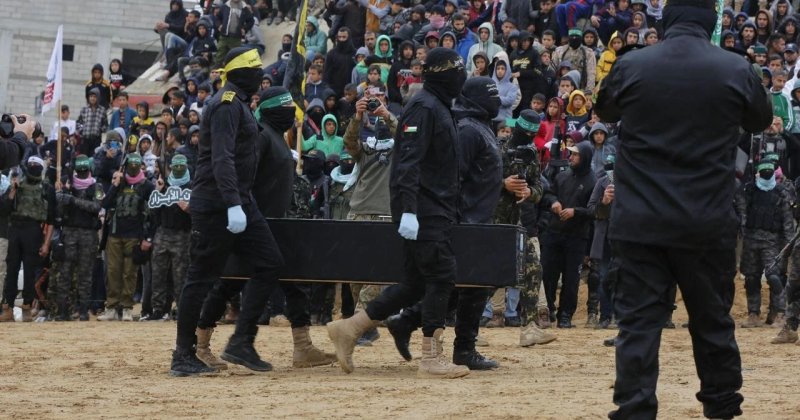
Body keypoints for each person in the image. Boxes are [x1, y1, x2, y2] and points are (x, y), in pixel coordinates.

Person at [594, 2, 773, 418]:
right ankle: (723, 409)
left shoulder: (633, 65)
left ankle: (635, 411)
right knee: (712, 323)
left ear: (666, 20)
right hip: (706, 222)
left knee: (638, 326)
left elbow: (604, 109)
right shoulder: (735, 68)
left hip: (641, 222)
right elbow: (760, 120)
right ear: (711, 23)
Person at [327, 48, 470, 379]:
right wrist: (408, 211)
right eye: (457, 70)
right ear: (441, 74)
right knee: (441, 276)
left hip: (434, 209)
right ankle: (432, 357)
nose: (461, 76)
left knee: (414, 284)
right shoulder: (424, 107)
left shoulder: (439, 106)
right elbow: (407, 162)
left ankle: (350, 328)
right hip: (424, 211)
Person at [170, 47, 284, 377]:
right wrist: (233, 203)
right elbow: (221, 159)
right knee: (201, 278)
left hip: (240, 201)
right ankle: (183, 354)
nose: (260, 76)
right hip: (218, 204)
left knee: (270, 263)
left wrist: (240, 202)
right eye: (255, 70)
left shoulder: (240, 105)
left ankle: (241, 342)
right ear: (238, 74)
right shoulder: (225, 104)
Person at [735, 160, 793, 329]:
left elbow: (787, 220)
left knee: (774, 277)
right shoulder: (749, 191)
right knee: (751, 278)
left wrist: (788, 244)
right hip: (751, 240)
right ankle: (753, 314)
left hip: (772, 242)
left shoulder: (781, 192)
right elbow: (742, 214)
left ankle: (780, 313)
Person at [98, 153, 155, 322]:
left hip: (134, 236)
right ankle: (112, 307)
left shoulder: (146, 186)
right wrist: (115, 185)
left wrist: (147, 238)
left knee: (130, 273)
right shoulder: (119, 183)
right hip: (115, 234)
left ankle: (127, 307)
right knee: (113, 272)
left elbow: (152, 215)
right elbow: (105, 204)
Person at [0, 157, 55, 323]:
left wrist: (46, 243)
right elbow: (3, 210)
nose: (32, 168)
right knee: (11, 270)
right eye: (30, 165)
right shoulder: (17, 185)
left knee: (30, 271)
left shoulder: (46, 188)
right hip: (15, 229)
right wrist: (12, 192)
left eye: (35, 166)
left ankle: (26, 307)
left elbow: (51, 219)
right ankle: (7, 308)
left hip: (33, 230)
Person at [51, 155, 103, 321]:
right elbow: (58, 212)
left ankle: (83, 310)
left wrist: (72, 199)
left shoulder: (97, 186)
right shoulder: (67, 184)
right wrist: (60, 194)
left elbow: (96, 206)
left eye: (84, 171)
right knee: (65, 273)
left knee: (85, 274)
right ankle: (62, 310)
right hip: (69, 232)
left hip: (88, 234)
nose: (81, 175)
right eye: (79, 172)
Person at [77, 88, 109, 157]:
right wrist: (82, 131)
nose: (92, 98)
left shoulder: (102, 110)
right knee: (84, 158)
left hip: (96, 140)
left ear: (98, 98)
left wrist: (100, 130)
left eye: (94, 97)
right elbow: (78, 123)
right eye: (91, 96)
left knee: (94, 158)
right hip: (85, 140)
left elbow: (105, 124)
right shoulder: (84, 109)